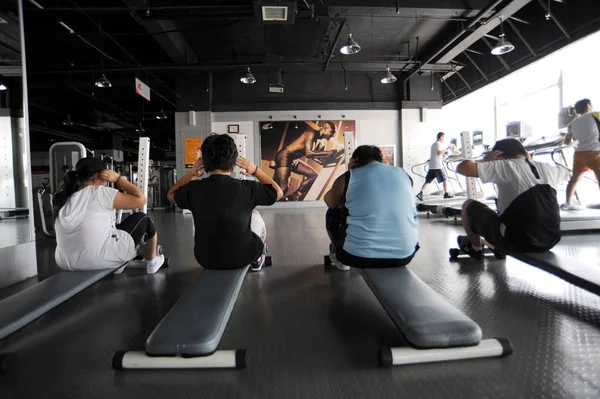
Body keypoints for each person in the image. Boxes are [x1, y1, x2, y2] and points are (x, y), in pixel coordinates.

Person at [167, 133, 284, 271]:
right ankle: (257, 259)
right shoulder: (247, 187)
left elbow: (170, 194)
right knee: (255, 214)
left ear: (204, 161)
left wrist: (191, 173)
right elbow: (278, 193)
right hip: (244, 256)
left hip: (205, 259)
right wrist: (255, 170)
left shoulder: (193, 189)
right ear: (234, 160)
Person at [456, 138, 569, 259]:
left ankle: (476, 249)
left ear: (499, 155)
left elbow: (462, 168)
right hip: (551, 240)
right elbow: (567, 172)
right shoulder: (548, 167)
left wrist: (485, 160)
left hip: (517, 242)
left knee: (468, 205)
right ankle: (495, 244)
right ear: (524, 152)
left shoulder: (505, 165)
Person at [53, 157, 165, 274]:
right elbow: (141, 199)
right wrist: (118, 179)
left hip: (64, 261)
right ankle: (152, 262)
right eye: (105, 176)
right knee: (144, 219)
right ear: (96, 176)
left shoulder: (60, 197)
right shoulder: (99, 192)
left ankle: (120, 257)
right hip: (95, 260)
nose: (107, 181)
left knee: (111, 228)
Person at [324, 145, 419, 271]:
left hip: (356, 256)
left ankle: (336, 253)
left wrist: (350, 172)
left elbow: (330, 202)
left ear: (354, 160)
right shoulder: (403, 174)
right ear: (380, 159)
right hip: (405, 255)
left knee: (333, 212)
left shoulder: (348, 177)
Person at [273, 121, 341, 201]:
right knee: (284, 187)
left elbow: (316, 157)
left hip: (292, 159)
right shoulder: (311, 133)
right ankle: (273, 205)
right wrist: (327, 153)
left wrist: (331, 158)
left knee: (314, 176)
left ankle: (295, 196)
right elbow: (308, 153)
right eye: (332, 132)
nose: (332, 136)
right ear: (326, 128)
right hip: (284, 156)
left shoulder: (319, 141)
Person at [562, 98, 600, 210]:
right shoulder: (596, 114)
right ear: (588, 106)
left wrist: (579, 141)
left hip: (579, 153)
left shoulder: (571, 123)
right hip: (595, 151)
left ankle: (568, 203)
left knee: (575, 179)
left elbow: (566, 142)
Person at [416, 132, 455, 201]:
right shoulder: (438, 144)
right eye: (443, 137)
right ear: (441, 137)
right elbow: (439, 153)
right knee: (445, 179)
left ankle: (420, 193)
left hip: (432, 166)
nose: (444, 139)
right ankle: (446, 193)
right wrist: (447, 148)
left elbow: (437, 155)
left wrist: (443, 159)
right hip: (438, 166)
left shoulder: (433, 145)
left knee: (428, 181)